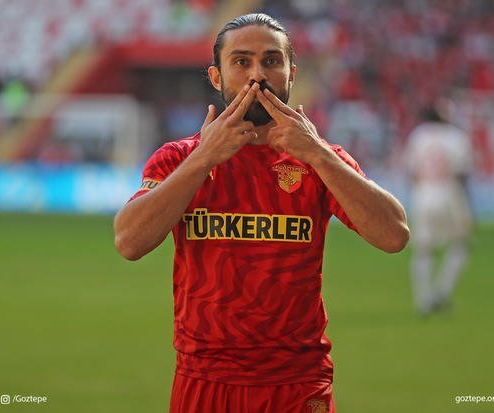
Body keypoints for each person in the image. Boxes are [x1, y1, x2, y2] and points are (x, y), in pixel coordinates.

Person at [114, 13, 409, 413]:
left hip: (297, 382)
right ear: (216, 76)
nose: (257, 75)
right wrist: (203, 158)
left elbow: (394, 235)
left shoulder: (318, 158)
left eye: (271, 61)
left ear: (291, 74)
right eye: (241, 61)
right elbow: (129, 242)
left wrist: (319, 155)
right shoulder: (180, 158)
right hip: (205, 379)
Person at [405, 104, 473, 316]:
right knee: (461, 244)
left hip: (423, 194)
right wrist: (468, 206)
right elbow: (462, 173)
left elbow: (411, 170)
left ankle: (423, 301)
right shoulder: (456, 137)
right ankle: (442, 292)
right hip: (448, 192)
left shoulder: (418, 136)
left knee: (423, 250)